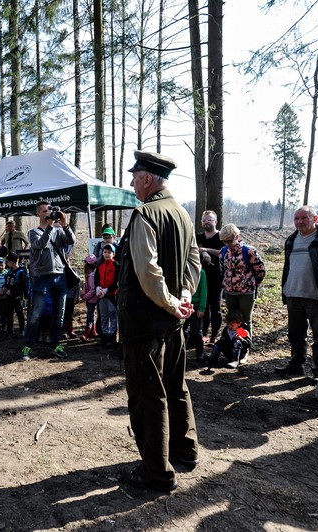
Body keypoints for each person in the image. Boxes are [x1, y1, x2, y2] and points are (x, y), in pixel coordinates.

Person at [116, 150, 200, 493]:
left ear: (147, 179)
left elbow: (148, 270)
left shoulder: (145, 213)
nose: (132, 184)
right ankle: (185, 450)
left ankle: (156, 472)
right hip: (173, 320)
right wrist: (184, 298)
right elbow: (193, 263)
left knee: (148, 394)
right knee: (175, 386)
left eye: (135, 178)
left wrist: (169, 301)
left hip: (145, 320)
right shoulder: (182, 214)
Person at [275, 206, 318, 378]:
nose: (300, 222)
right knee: (295, 334)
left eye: (304, 218)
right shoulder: (291, 239)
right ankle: (296, 364)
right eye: (296, 219)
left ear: (315, 219)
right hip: (294, 293)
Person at [19, 202, 76, 361]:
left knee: (59, 314)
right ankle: (28, 346)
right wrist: (50, 226)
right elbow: (40, 244)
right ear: (38, 214)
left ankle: (55, 344)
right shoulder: (33, 232)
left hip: (60, 277)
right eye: (44, 211)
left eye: (49, 210)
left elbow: (71, 240)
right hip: (42, 277)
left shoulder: (58, 230)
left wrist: (65, 225)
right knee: (35, 314)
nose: (48, 213)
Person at [219, 223, 266, 341]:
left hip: (246, 293)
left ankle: (245, 344)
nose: (227, 244)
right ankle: (233, 344)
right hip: (230, 291)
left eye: (229, 241)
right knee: (233, 319)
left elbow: (260, 270)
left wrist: (253, 284)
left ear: (236, 237)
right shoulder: (223, 251)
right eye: (224, 242)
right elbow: (222, 270)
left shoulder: (249, 251)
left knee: (244, 320)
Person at [196, 210, 223, 342]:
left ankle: (214, 335)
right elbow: (193, 250)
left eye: (210, 220)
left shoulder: (221, 237)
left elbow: (223, 253)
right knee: (204, 305)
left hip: (217, 276)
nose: (207, 222)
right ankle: (204, 333)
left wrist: (207, 250)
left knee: (216, 306)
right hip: (201, 277)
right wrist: (201, 253)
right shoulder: (198, 237)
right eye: (204, 220)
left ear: (216, 222)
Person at [94, 243, 119, 345]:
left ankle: (112, 337)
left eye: (109, 252)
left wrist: (108, 290)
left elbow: (117, 281)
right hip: (101, 295)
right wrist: (97, 287)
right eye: (105, 252)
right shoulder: (100, 265)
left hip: (112, 295)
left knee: (112, 316)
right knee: (103, 316)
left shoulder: (116, 265)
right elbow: (96, 279)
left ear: (113, 254)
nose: (107, 254)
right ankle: (104, 336)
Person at [4, 252, 30, 337]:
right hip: (9, 297)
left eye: (7, 261)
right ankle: (9, 330)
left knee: (19, 313)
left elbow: (23, 286)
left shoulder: (21, 272)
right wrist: (5, 287)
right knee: (8, 313)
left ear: (12, 262)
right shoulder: (9, 271)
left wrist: (12, 291)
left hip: (18, 297)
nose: (6, 263)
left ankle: (22, 330)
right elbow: (7, 282)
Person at [183, 267, 207, 361]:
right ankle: (182, 353)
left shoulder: (201, 272)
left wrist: (202, 307)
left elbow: (204, 291)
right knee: (182, 330)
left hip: (196, 307)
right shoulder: (181, 269)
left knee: (197, 331)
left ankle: (200, 354)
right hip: (183, 305)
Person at [80, 254, 100, 341]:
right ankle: (93, 331)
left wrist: (85, 296)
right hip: (90, 299)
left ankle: (86, 333)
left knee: (90, 316)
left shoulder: (91, 276)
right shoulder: (90, 275)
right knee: (92, 315)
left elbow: (92, 289)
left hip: (91, 299)